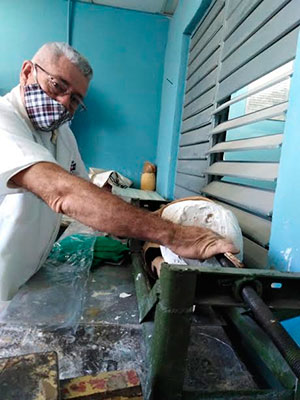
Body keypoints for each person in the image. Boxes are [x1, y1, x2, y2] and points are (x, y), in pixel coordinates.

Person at [0, 42, 237, 302]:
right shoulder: (5, 120)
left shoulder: (62, 135)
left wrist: (152, 217)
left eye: (76, 99)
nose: (64, 103)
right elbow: (63, 192)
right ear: (26, 72)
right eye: (58, 85)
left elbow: (84, 189)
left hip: (25, 280)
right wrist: (173, 234)